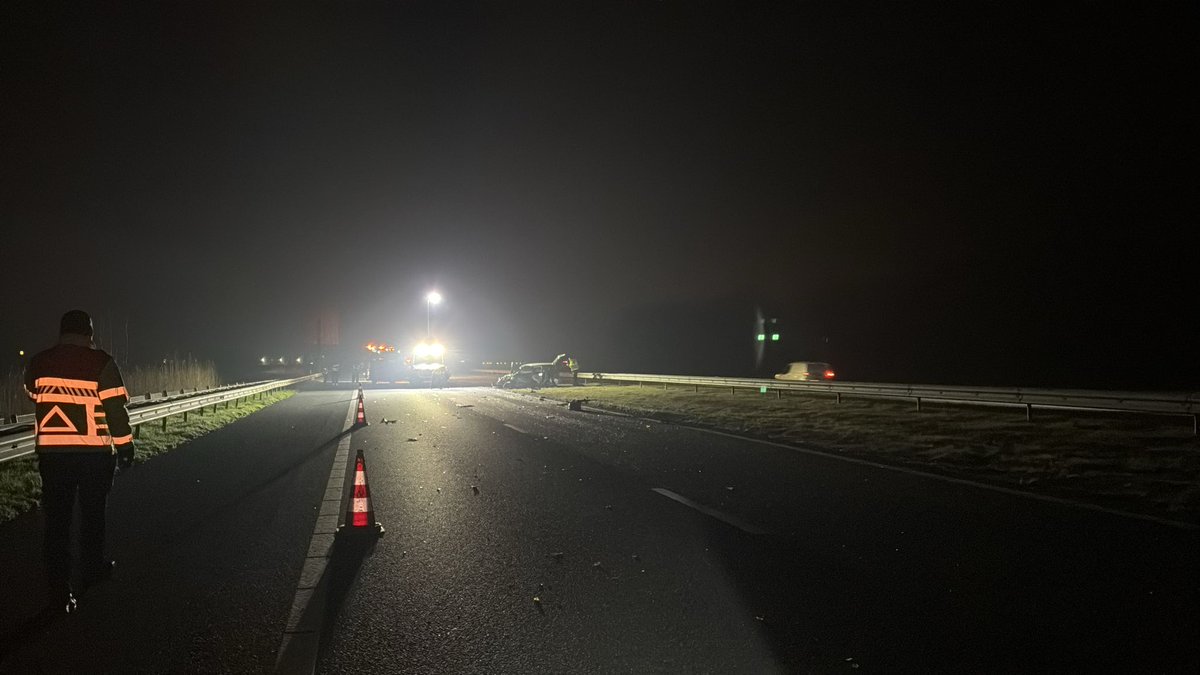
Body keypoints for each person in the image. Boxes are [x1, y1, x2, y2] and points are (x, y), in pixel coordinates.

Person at [24, 310, 135, 613]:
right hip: (94, 456)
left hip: (53, 456)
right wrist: (125, 447)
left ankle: (59, 593)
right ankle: (93, 570)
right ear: (89, 334)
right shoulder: (101, 362)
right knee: (92, 516)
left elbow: (33, 394)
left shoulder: (38, 362)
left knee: (56, 523)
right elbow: (115, 410)